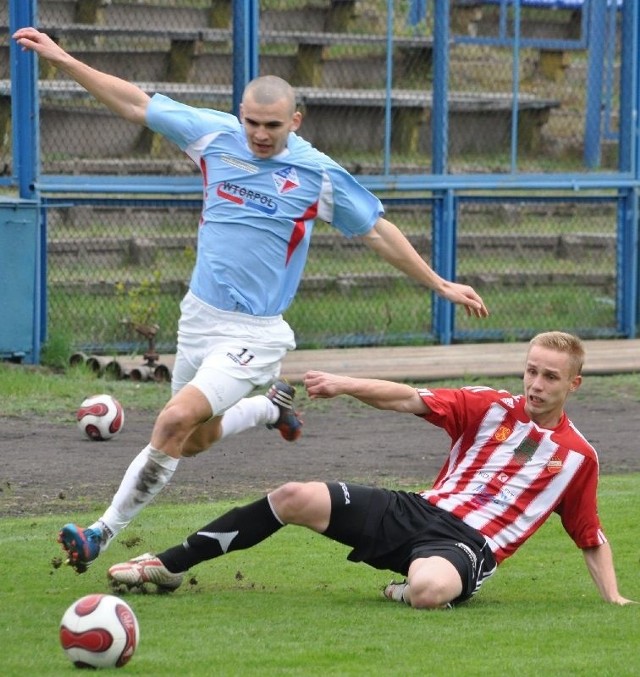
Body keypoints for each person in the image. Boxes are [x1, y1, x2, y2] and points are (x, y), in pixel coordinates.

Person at [13, 27, 489, 574]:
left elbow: (378, 230)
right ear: (240, 114)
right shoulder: (214, 136)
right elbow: (134, 102)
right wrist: (63, 59)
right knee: (195, 439)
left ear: (296, 121)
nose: (260, 135)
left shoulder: (317, 173)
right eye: (252, 123)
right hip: (198, 320)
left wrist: (439, 283)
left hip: (254, 334)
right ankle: (269, 407)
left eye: (272, 125)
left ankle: (101, 531)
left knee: (172, 420)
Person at [107, 332, 635, 608]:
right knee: (294, 495)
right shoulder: (490, 405)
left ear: (573, 385)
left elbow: (589, 536)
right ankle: (169, 563)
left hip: (468, 546)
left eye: (550, 376)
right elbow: (410, 398)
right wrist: (344, 382)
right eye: (531, 370)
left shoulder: (578, 458)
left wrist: (611, 596)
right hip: (417, 510)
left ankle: (407, 588)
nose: (536, 383)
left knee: (428, 591)